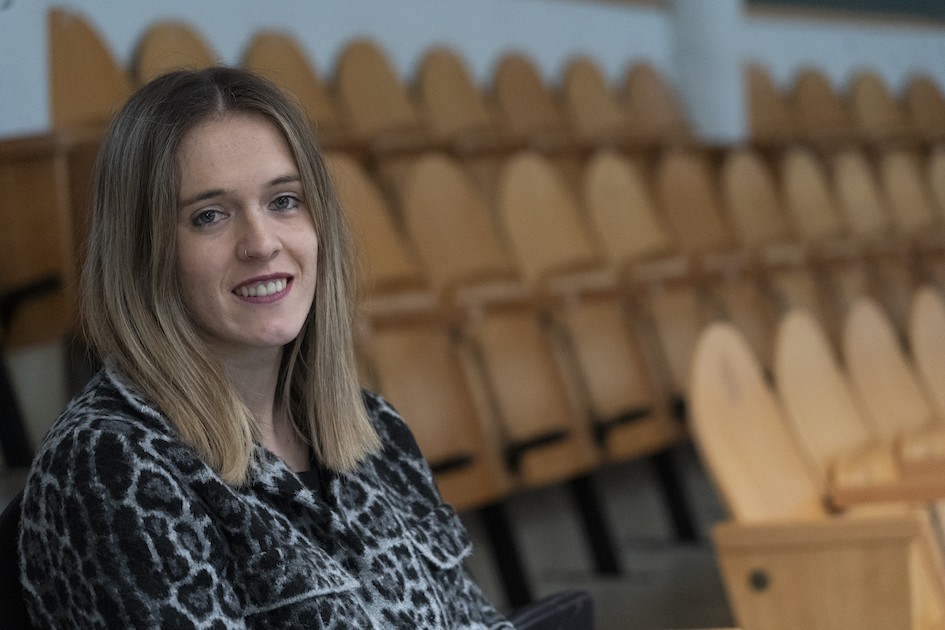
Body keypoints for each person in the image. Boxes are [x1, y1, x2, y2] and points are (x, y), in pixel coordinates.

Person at [17, 66, 516, 629]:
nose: (261, 243)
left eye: (283, 201)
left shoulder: (376, 430)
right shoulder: (109, 465)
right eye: (209, 216)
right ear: (142, 251)